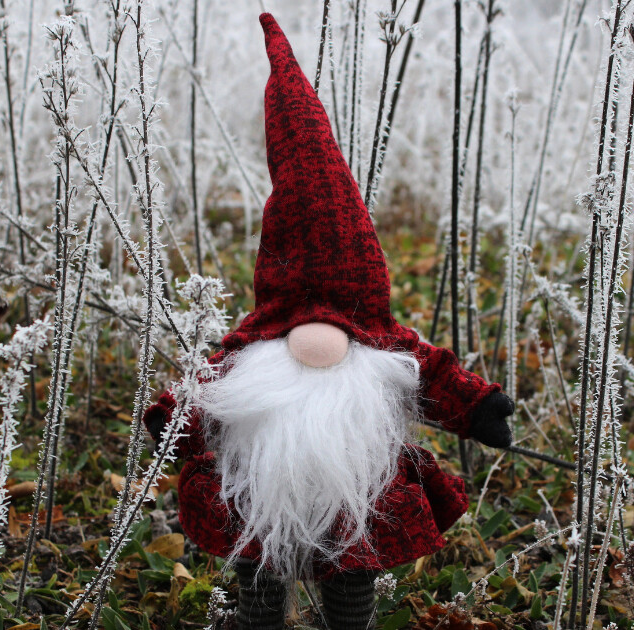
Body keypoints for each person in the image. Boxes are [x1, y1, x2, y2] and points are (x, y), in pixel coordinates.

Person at [143, 14, 514, 630]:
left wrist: (478, 409)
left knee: (354, 553)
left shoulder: (373, 343)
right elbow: (203, 394)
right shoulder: (258, 346)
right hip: (262, 487)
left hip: (357, 485)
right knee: (259, 551)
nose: (319, 329)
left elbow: (435, 376)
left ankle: (346, 622)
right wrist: (172, 421)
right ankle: (262, 620)